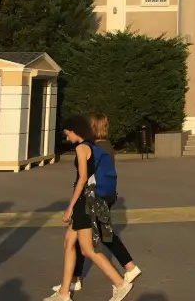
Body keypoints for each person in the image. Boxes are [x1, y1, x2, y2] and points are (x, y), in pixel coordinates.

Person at [52, 113, 141, 295]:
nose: (66, 137)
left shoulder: (86, 148)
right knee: (71, 241)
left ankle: (120, 282)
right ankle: (66, 289)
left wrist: (70, 207)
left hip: (89, 199)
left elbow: (83, 178)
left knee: (88, 248)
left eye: (67, 133)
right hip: (93, 198)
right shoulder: (98, 146)